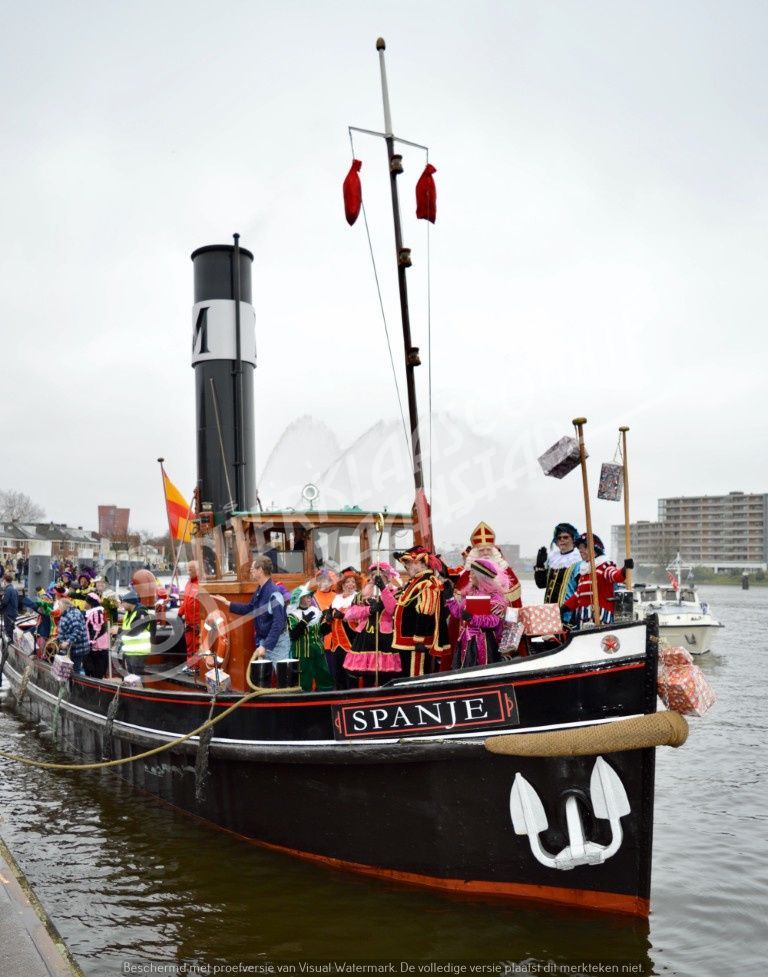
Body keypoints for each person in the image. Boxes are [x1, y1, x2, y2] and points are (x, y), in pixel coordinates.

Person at [392, 546, 450, 677]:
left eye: (408, 563)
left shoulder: (427, 583)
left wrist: (419, 639)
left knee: (415, 677)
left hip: (416, 642)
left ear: (419, 563)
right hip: (407, 642)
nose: (405, 566)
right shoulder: (416, 581)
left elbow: (426, 612)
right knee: (407, 676)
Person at [222, 555, 289, 666]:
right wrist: (228, 603)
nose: (251, 571)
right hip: (264, 641)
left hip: (278, 644)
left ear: (260, 570)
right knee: (263, 676)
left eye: (253, 569)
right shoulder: (260, 590)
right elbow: (251, 609)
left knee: (283, 676)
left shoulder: (275, 593)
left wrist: (266, 645)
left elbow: (278, 623)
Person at [343, 562, 403, 686]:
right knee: (367, 676)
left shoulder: (396, 592)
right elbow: (349, 614)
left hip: (384, 638)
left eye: (380, 574)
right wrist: (369, 610)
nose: (377, 577)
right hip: (365, 637)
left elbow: (393, 610)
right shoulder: (364, 594)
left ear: (387, 576)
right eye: (374, 574)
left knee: (385, 675)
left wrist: (383, 589)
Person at [562, 534, 634, 628]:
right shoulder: (584, 572)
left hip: (601, 619)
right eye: (579, 547)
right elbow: (578, 596)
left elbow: (615, 576)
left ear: (594, 549)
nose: (580, 550)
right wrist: (563, 609)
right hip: (583, 620)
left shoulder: (604, 567)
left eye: (584, 547)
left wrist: (625, 569)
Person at [446, 558, 506, 669]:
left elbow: (494, 621)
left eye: (472, 573)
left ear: (480, 576)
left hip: (483, 643)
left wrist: (472, 618)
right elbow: (459, 614)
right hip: (466, 639)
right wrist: (450, 598)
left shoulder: (494, 596)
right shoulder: (472, 592)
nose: (469, 575)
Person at [457, 522, 522, 608]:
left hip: (499, 611)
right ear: (475, 552)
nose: (485, 553)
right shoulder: (468, 573)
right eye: (481, 550)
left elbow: (515, 602)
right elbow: (459, 603)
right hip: (476, 612)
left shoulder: (505, 569)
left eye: (488, 549)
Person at [533, 522, 582, 626]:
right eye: (559, 538)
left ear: (573, 539)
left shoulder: (579, 561)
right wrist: (540, 564)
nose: (562, 540)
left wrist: (566, 609)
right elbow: (541, 584)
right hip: (549, 614)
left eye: (565, 537)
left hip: (568, 615)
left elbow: (581, 592)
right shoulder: (553, 560)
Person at [287, 585, 333, 692]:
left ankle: (327, 698)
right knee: (304, 681)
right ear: (299, 599)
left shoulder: (316, 611)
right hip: (302, 654)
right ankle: (303, 699)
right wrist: (304, 621)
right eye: (306, 596)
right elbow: (293, 635)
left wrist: (328, 622)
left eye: (310, 596)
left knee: (324, 677)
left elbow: (322, 632)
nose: (309, 598)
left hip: (318, 652)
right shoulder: (292, 615)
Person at [326, 569, 361, 689]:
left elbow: (360, 619)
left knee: (351, 674)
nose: (350, 584)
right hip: (336, 644)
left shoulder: (358, 598)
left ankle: (353, 698)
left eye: (353, 582)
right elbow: (328, 620)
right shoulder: (336, 598)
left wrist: (344, 616)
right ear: (342, 584)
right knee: (338, 674)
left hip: (351, 641)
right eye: (347, 582)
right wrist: (328, 617)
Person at [119, 591, 154, 675]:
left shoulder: (141, 613)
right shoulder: (128, 613)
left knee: (136, 677)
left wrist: (118, 631)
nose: (122, 605)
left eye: (123, 602)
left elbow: (135, 631)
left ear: (129, 602)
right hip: (129, 651)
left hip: (138, 652)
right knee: (129, 677)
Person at [179, 560, 202, 673]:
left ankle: (196, 667)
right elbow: (186, 601)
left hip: (197, 623)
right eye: (188, 569)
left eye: (190, 569)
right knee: (189, 646)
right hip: (189, 622)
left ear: (197, 570)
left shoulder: (201, 584)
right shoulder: (188, 584)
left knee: (197, 646)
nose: (188, 572)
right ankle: (190, 666)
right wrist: (180, 613)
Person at [57, 597, 90, 675]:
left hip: (76, 649)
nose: (58, 608)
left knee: (74, 671)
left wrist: (67, 642)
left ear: (64, 606)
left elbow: (78, 631)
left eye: (59, 606)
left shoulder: (73, 614)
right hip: (70, 649)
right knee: (68, 671)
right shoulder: (66, 613)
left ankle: (74, 681)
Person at [84, 592, 109, 678]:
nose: (84, 603)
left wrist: (91, 642)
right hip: (93, 646)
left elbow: (96, 629)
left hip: (97, 647)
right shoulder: (92, 612)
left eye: (85, 601)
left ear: (90, 603)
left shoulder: (96, 613)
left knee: (97, 671)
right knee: (91, 669)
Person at [0, 571, 19, 646]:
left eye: (3, 580)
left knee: (8, 631)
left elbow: (4, 602)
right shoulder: (13, 588)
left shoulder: (8, 590)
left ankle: (9, 647)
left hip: (8, 614)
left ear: (5, 581)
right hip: (13, 612)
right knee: (12, 630)